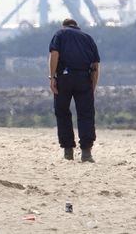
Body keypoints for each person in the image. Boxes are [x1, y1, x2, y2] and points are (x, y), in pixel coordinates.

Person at [48, 18, 100, 162]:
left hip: (64, 78)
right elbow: (95, 65)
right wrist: (93, 86)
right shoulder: (88, 38)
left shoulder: (60, 34)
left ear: (64, 26)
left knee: (63, 112)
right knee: (86, 114)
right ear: (77, 26)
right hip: (84, 78)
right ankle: (86, 152)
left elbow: (54, 55)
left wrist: (52, 77)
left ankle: (68, 151)